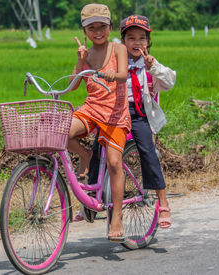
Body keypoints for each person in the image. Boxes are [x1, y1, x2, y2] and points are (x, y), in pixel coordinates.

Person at [75, 15, 176, 229]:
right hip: (114, 111)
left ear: (148, 42)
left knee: (148, 153)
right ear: (122, 40)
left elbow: (169, 81)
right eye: (131, 38)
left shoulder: (148, 64)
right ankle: (91, 201)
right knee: (97, 151)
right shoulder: (115, 57)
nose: (137, 43)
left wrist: (153, 67)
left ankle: (163, 202)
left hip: (137, 114)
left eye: (142, 38)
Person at [67, 3, 131, 241]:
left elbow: (123, 74)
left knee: (115, 163)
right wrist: (80, 61)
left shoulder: (118, 49)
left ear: (110, 27)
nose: (97, 32)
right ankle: (86, 156)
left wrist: (115, 75)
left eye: (102, 27)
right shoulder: (87, 54)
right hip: (92, 108)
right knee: (63, 132)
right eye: (91, 28)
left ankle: (117, 216)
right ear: (84, 31)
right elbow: (72, 85)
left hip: (115, 113)